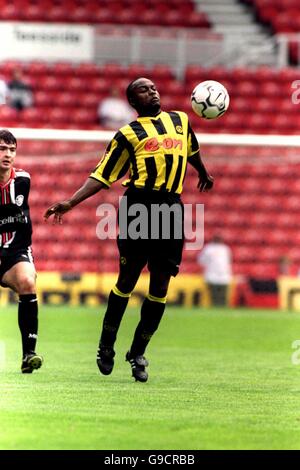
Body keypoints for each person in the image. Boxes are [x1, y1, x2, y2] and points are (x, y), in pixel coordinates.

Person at [44, 77, 214, 382]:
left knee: (160, 287)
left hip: (171, 209)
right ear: (133, 103)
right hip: (139, 206)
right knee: (128, 278)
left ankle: (138, 353)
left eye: (153, 87)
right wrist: (71, 202)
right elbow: (103, 174)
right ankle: (105, 345)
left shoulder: (180, 120)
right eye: (143, 90)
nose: (152, 91)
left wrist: (202, 171)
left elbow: (190, 150)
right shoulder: (127, 134)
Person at [0, 129, 43, 373]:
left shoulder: (23, 180)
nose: (8, 155)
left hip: (15, 250)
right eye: (2, 149)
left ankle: (29, 354)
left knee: (27, 281)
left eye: (12, 150)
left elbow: (20, 220)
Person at [198, 235, 232, 306]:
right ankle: (217, 308)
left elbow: (201, 261)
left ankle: (222, 308)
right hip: (213, 275)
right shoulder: (209, 248)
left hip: (222, 276)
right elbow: (201, 261)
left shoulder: (224, 249)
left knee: (221, 296)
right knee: (215, 295)